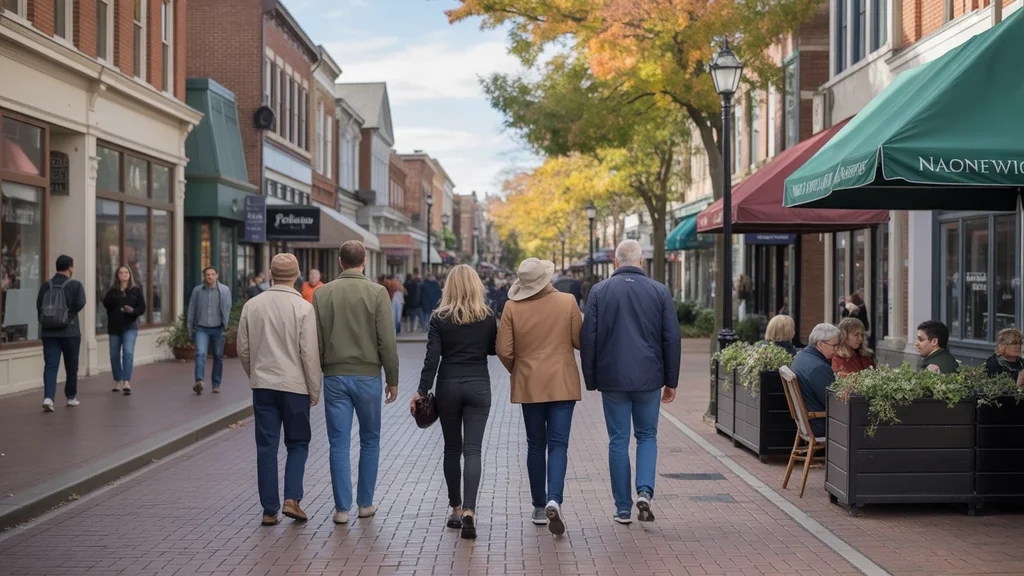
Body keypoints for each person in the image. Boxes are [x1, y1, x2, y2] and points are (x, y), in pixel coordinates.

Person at [580, 240, 680, 525]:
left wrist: (591, 378)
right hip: (649, 377)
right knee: (647, 436)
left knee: (618, 441)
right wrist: (670, 381)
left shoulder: (599, 292)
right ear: (641, 262)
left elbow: (589, 337)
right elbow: (671, 338)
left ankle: (623, 507)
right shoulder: (660, 292)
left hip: (612, 379)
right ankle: (645, 491)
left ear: (615, 261)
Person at [312, 241, 399, 526]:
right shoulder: (377, 293)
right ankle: (365, 503)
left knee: (338, 443)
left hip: (334, 375)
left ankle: (341, 508)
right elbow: (386, 339)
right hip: (368, 376)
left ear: (340, 262)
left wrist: (320, 370)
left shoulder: (322, 293)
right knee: (370, 440)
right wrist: (393, 377)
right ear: (364, 261)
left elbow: (317, 339)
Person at [497, 258, 583, 536]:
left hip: (530, 383)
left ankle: (537, 506)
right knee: (558, 444)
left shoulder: (512, 308)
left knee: (535, 444)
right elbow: (580, 341)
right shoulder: (568, 302)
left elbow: (504, 350)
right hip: (561, 381)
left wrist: (520, 369)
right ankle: (554, 499)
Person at [412, 265, 497, 539]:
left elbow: (432, 358)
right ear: (476, 286)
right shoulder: (486, 317)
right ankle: (472, 510)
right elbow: (493, 350)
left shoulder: (439, 318)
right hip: (478, 385)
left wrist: (422, 390)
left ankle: (456, 510)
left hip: (448, 385)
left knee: (452, 449)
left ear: (448, 287)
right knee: (473, 450)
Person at [238, 254, 321, 527]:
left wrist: (255, 373)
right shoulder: (303, 308)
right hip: (295, 386)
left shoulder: (252, 305)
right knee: (297, 443)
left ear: (271, 275)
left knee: (266, 446)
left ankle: (269, 509)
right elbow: (309, 353)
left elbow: (243, 348)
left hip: (263, 385)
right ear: (297, 276)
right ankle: (292, 498)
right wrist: (314, 388)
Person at [36, 255, 87, 412]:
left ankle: (49, 397)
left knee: (51, 365)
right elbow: (81, 302)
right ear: (70, 268)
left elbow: (39, 306)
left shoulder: (46, 285)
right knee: (71, 365)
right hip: (70, 332)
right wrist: (67, 316)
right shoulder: (75, 285)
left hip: (49, 332)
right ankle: (71, 397)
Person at [186, 266, 232, 394]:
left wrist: (225, 326)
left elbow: (228, 308)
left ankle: (216, 384)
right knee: (200, 353)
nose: (210, 277)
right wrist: (190, 328)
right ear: (204, 277)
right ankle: (199, 381)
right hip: (202, 328)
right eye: (207, 275)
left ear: (217, 276)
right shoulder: (197, 291)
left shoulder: (224, 291)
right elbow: (191, 309)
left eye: (212, 274)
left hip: (218, 328)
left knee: (218, 356)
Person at [790, 323, 840, 438]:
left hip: (807, 424)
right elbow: (834, 403)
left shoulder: (800, 356)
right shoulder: (818, 368)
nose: (836, 349)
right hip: (819, 425)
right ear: (820, 344)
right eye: (834, 345)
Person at [102, 265, 146, 395]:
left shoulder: (135, 290)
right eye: (121, 272)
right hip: (114, 327)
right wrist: (117, 298)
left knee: (127, 353)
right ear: (117, 276)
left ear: (130, 275)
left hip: (130, 326)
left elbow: (142, 307)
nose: (124, 274)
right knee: (114, 355)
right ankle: (118, 380)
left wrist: (132, 311)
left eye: (126, 272)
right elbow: (106, 305)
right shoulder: (111, 292)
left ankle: (126, 381)